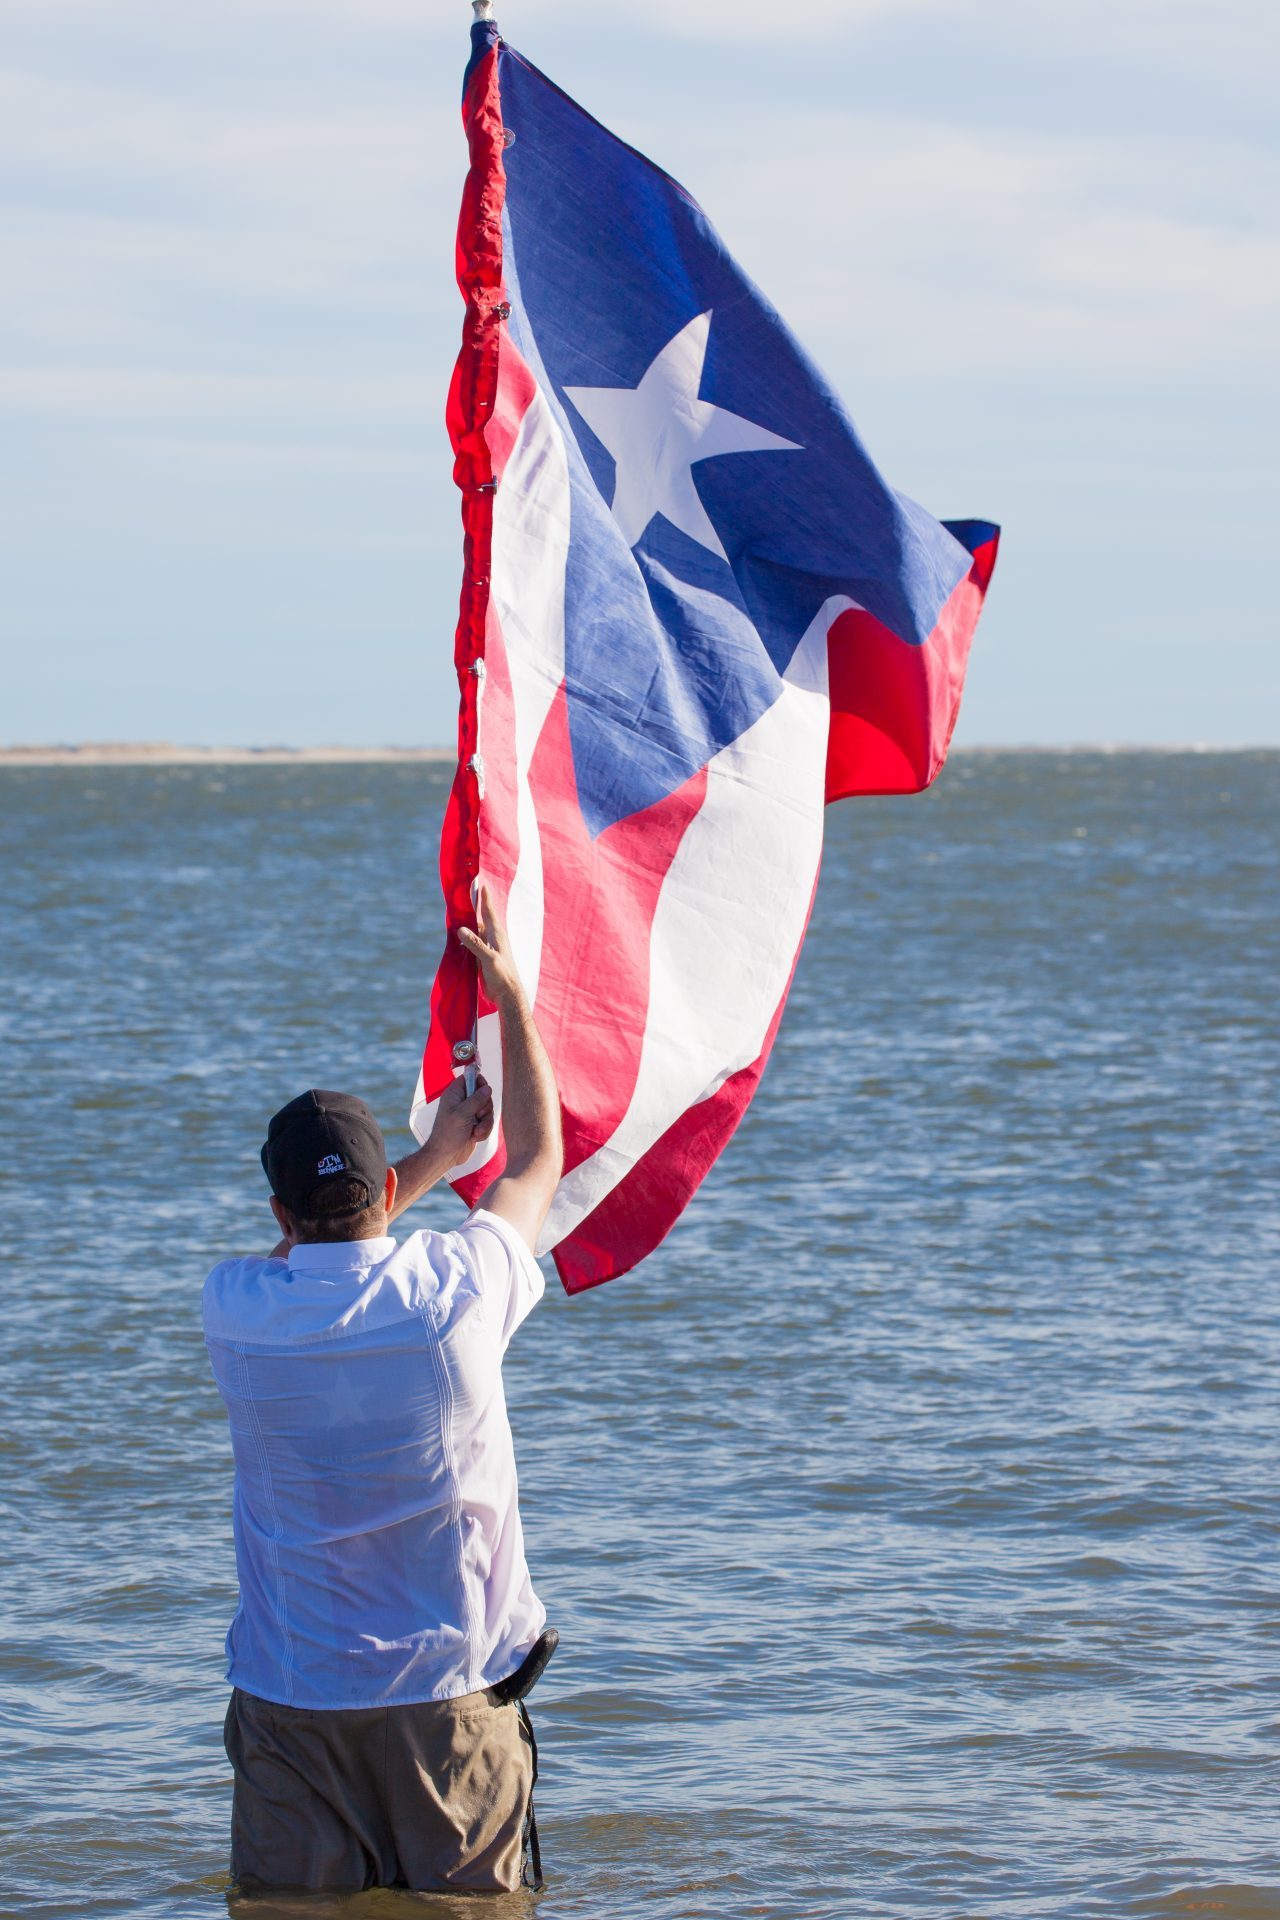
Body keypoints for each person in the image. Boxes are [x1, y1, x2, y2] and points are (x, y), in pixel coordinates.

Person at [203, 888, 562, 1895]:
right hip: (446, 1706)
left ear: (278, 1206)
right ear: (381, 1200)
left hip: (291, 1702)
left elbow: (306, 1242)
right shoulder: (457, 1290)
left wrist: (429, 1158)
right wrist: (514, 1003)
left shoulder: (237, 1308)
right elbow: (538, 1160)